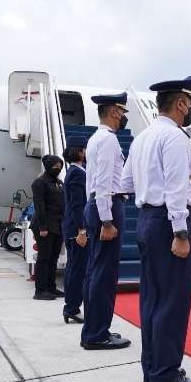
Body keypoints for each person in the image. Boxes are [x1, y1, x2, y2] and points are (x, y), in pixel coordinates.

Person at [121, 76, 191, 382]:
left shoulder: (142, 138)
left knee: (152, 300)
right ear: (181, 103)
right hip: (169, 224)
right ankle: (167, 374)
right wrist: (180, 232)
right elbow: (176, 189)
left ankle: (152, 371)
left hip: (147, 219)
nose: (190, 109)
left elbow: (126, 185)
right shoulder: (176, 138)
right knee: (173, 300)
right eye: (190, 103)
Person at [80, 92, 131, 350]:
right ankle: (97, 334)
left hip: (97, 206)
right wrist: (108, 220)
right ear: (113, 112)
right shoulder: (109, 140)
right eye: (122, 112)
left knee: (95, 272)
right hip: (107, 206)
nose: (123, 117)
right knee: (104, 275)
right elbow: (102, 184)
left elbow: (94, 183)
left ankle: (93, 329)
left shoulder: (95, 139)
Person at [61, 136, 89, 324]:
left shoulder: (71, 171)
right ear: (79, 151)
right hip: (76, 227)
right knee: (77, 270)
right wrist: (82, 230)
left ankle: (70, 306)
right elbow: (78, 205)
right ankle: (71, 307)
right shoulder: (78, 173)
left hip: (70, 225)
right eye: (84, 149)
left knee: (73, 268)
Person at [30, 155, 65, 301]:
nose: (58, 169)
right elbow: (40, 206)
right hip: (43, 226)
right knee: (44, 258)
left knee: (53, 258)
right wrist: (43, 228)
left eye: (60, 166)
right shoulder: (39, 183)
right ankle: (40, 290)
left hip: (57, 225)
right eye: (55, 166)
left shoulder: (59, 183)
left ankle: (51, 287)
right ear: (48, 166)